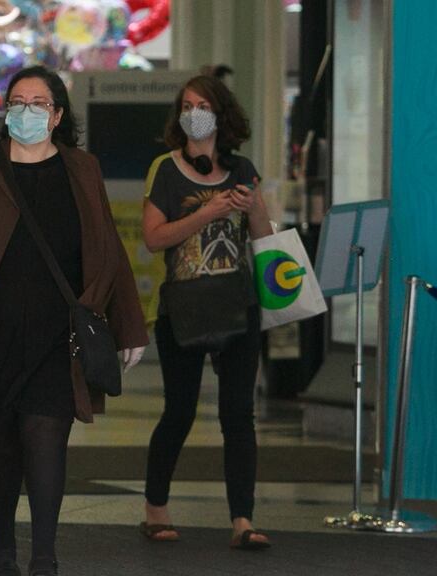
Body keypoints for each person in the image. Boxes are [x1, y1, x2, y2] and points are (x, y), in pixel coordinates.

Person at [0, 66, 148, 576]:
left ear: (58, 114)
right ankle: (2, 549)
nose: (26, 112)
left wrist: (130, 324)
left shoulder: (81, 169)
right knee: (1, 445)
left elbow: (109, 248)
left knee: (46, 439)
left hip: (56, 336)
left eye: (39, 104)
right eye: (18, 102)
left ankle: (44, 556)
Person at [140, 75, 273, 550]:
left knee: (239, 414)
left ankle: (243, 518)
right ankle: (156, 507)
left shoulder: (242, 168)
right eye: (187, 105)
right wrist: (209, 211)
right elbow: (154, 238)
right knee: (179, 410)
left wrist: (251, 205)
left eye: (202, 105)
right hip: (184, 306)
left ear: (221, 114)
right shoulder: (167, 169)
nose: (194, 112)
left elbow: (263, 236)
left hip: (238, 302)